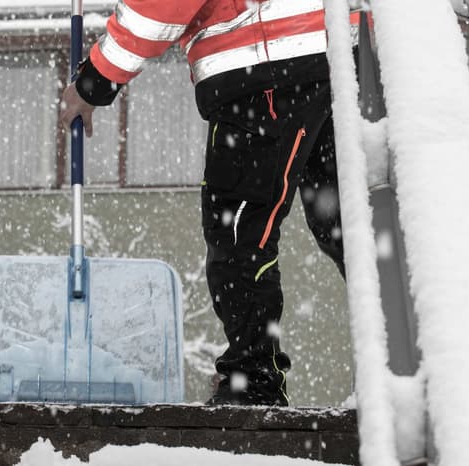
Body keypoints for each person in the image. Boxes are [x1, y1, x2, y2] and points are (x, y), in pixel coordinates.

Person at [61, 0, 358, 406]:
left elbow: (158, 8)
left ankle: (253, 382)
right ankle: (415, 352)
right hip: (344, 55)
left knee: (239, 233)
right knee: (352, 225)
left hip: (266, 66)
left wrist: (93, 82)